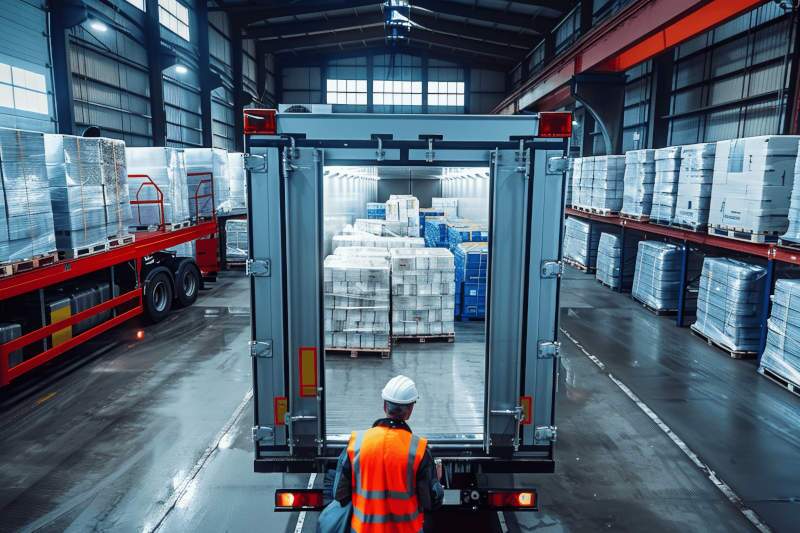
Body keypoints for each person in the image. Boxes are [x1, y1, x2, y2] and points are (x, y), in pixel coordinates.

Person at [334, 375, 444, 532]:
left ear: (385, 406)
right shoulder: (419, 450)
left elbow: (338, 493)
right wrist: (437, 482)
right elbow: (431, 502)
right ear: (410, 411)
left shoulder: (356, 444)